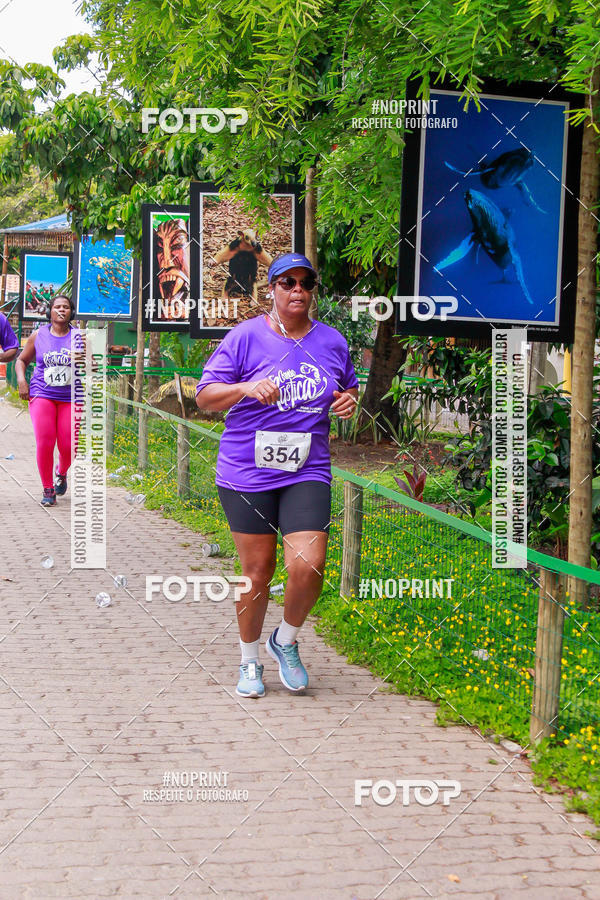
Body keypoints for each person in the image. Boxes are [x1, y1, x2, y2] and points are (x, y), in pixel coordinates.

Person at [196, 252, 358, 698]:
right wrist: (245, 387)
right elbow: (205, 396)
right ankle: (249, 660)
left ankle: (284, 641)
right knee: (257, 570)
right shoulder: (246, 337)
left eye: (306, 283)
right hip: (246, 470)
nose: (298, 291)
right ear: (271, 289)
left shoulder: (332, 341)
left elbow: (347, 388)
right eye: (287, 283)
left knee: (309, 564)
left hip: (307, 468)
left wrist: (347, 401)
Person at [15, 294, 84, 507]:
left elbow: (94, 367)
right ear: (50, 312)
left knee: (68, 445)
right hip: (42, 393)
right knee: (45, 441)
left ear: (71, 312)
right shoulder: (39, 335)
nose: (61, 310)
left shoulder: (80, 337)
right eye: (57, 307)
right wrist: (21, 381)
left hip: (71, 396)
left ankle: (61, 472)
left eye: (65, 307)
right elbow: (21, 360)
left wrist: (85, 360)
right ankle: (48, 488)